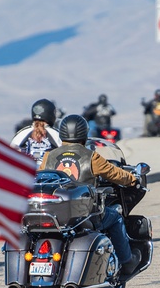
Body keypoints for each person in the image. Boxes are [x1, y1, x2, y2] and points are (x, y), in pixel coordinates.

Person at [39, 114, 142, 277]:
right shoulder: (91, 156)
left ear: (61, 134)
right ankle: (126, 261)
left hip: (56, 213)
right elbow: (115, 173)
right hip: (84, 214)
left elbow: (41, 177)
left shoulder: (49, 156)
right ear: (84, 134)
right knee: (115, 217)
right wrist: (132, 179)